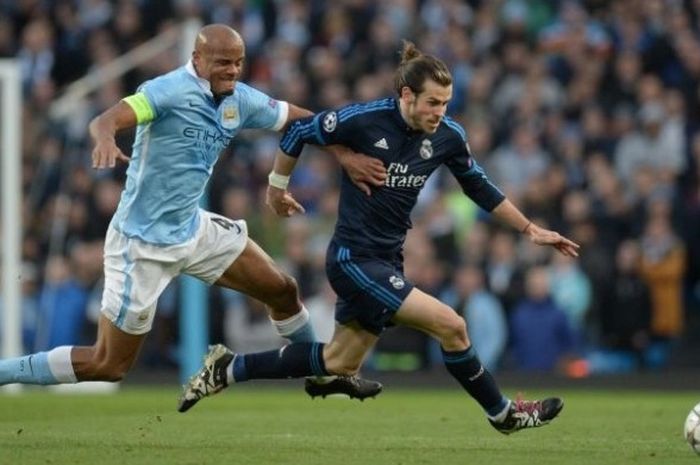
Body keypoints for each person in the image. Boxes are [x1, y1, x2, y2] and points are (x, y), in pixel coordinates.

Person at [179, 41, 580, 434]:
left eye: (446, 102)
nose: (440, 112)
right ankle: (503, 413)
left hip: (387, 259)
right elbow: (298, 131)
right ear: (407, 94)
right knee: (451, 325)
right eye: (433, 102)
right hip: (352, 259)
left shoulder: (449, 136)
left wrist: (529, 229)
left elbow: (478, 186)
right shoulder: (365, 119)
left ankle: (227, 369)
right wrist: (276, 188)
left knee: (338, 362)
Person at [0, 24, 387, 407]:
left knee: (282, 290)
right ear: (197, 59)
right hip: (141, 245)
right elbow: (106, 119)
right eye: (222, 62)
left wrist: (344, 155)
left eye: (238, 63)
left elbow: (301, 121)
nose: (232, 70)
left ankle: (327, 374)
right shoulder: (166, 91)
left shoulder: (241, 99)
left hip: (193, 229)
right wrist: (104, 137)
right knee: (108, 364)